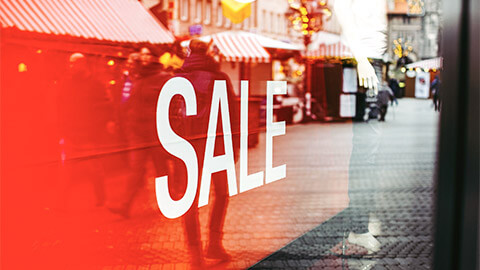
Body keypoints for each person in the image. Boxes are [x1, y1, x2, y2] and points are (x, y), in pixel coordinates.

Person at [172, 39, 240, 266]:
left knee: (189, 203)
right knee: (221, 194)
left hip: (186, 148)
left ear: (189, 53)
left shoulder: (177, 79)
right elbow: (232, 115)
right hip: (216, 147)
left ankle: (195, 254)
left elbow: (169, 117)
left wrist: (172, 150)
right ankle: (214, 243)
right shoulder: (220, 78)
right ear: (209, 53)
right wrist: (235, 146)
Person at [108, 47, 171, 218]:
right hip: (138, 133)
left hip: (157, 133)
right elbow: (129, 103)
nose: (144, 57)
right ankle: (124, 206)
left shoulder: (164, 78)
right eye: (142, 54)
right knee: (136, 169)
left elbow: (172, 104)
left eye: (147, 54)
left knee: (161, 170)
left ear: (155, 58)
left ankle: (167, 203)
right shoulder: (137, 77)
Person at [57, 53, 112, 208]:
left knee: (94, 170)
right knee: (66, 171)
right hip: (71, 135)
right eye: (70, 63)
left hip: (88, 136)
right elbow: (60, 107)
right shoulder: (66, 83)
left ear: (82, 64)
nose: (71, 66)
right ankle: (61, 202)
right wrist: (62, 129)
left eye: (74, 63)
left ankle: (101, 199)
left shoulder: (95, 84)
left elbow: (104, 107)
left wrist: (95, 128)